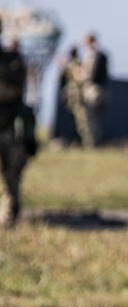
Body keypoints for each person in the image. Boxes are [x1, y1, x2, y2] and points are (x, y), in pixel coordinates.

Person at [0, 23, 35, 227]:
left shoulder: (12, 60)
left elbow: (13, 89)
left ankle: (9, 215)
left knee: (12, 176)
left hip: (9, 127)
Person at [78, 32, 109, 147]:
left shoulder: (92, 55)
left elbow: (90, 75)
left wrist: (78, 74)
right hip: (103, 90)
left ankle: (92, 143)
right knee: (99, 119)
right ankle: (97, 141)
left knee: (91, 117)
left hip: (93, 90)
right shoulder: (103, 54)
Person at [58, 46, 87, 146]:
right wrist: (62, 65)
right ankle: (76, 141)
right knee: (72, 121)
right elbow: (61, 78)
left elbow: (81, 78)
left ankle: (86, 142)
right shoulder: (68, 66)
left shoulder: (79, 64)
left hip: (78, 95)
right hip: (70, 96)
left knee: (81, 120)